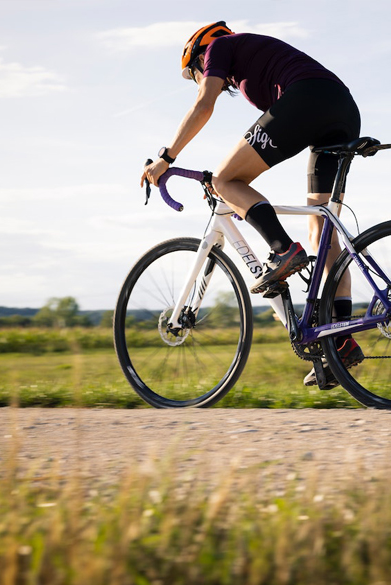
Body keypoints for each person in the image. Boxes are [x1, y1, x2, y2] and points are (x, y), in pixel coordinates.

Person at [139, 21, 363, 388]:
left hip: (307, 99)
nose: (200, 79)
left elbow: (203, 105)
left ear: (199, 55)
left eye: (195, 73)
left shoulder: (219, 48)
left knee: (226, 180)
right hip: (340, 107)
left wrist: (165, 157)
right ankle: (340, 338)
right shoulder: (251, 60)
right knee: (322, 230)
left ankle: (283, 250)